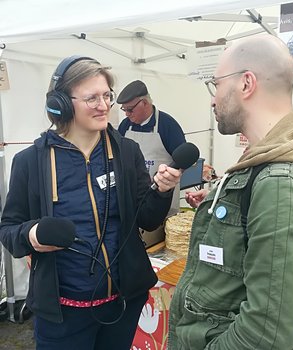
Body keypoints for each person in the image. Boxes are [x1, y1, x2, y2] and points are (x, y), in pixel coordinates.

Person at [168, 34, 293, 349]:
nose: (213, 98)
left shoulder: (282, 181)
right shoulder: (271, 162)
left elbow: (267, 333)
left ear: (247, 84)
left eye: (216, 84)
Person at [0, 56, 181, 350]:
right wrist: (31, 235)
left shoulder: (125, 151)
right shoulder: (30, 162)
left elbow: (146, 219)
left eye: (106, 96)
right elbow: (9, 229)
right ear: (60, 103)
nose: (104, 105)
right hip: (63, 314)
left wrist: (161, 191)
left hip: (122, 304)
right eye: (92, 97)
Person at [117, 80, 186, 216]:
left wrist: (167, 179)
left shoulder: (168, 126)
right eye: (124, 110)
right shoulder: (125, 126)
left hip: (161, 199)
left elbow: (183, 160)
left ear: (145, 103)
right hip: (133, 198)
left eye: (130, 109)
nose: (127, 114)